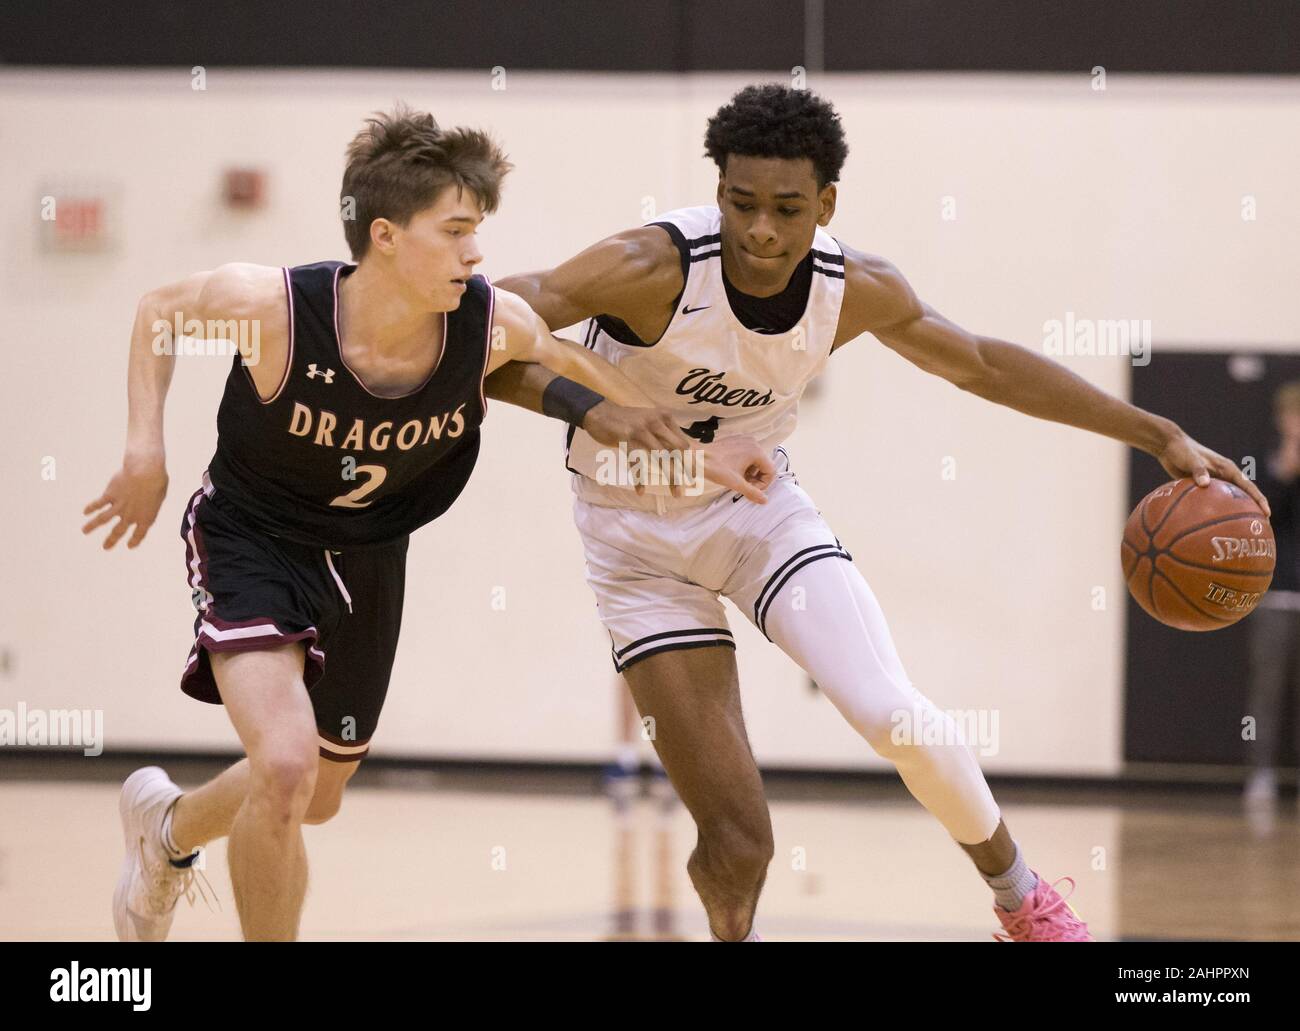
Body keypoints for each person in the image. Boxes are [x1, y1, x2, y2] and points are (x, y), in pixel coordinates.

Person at [485, 83, 1269, 941]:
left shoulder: (852, 286)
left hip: (755, 514)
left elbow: (982, 364)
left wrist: (1155, 433)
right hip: (629, 541)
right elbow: (485, 332)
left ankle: (1024, 902)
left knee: (893, 712)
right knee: (742, 846)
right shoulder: (647, 266)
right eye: (742, 204)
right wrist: (592, 408)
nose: (761, 230)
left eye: (787, 209)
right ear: (718, 194)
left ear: (826, 204)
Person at [84, 105, 770, 942]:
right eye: (454, 231)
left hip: (372, 552)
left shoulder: (487, 324)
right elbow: (160, 310)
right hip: (253, 537)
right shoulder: (272, 309)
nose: (476, 252)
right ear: (384, 235)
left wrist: (702, 451)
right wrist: (143, 449)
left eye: (477, 229)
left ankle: (168, 830)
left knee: (316, 793)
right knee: (287, 763)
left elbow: (584, 368)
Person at [1243, 380, 1300, 808]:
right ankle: (1260, 775)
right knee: (1267, 688)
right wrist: (1286, 468)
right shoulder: (1265, 466)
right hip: (1276, 595)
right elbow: (1262, 519)